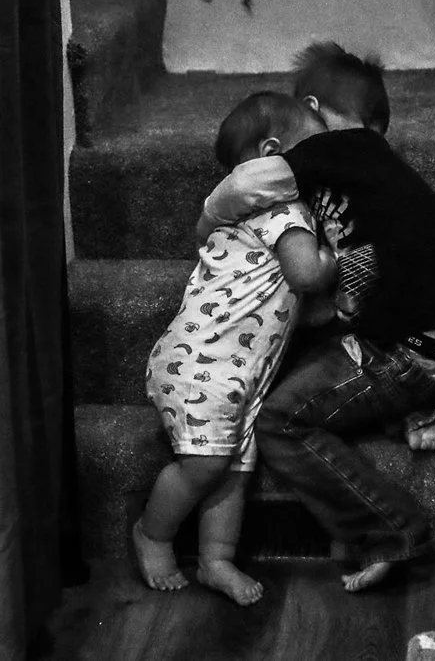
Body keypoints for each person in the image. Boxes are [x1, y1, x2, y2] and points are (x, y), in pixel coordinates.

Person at [197, 41, 435, 591]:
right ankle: (423, 409)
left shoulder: (348, 149)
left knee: (279, 420)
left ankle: (393, 529)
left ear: (316, 111)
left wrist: (207, 220)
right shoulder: (366, 177)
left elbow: (251, 181)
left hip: (405, 354)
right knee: (301, 358)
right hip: (414, 345)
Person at [133, 91, 338, 605]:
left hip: (238, 372)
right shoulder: (281, 212)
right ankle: (152, 534)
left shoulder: (243, 220)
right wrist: (340, 254)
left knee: (232, 469)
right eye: (313, 154)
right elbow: (307, 274)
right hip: (203, 364)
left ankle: (215, 561)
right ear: (274, 156)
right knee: (204, 466)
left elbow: (291, 302)